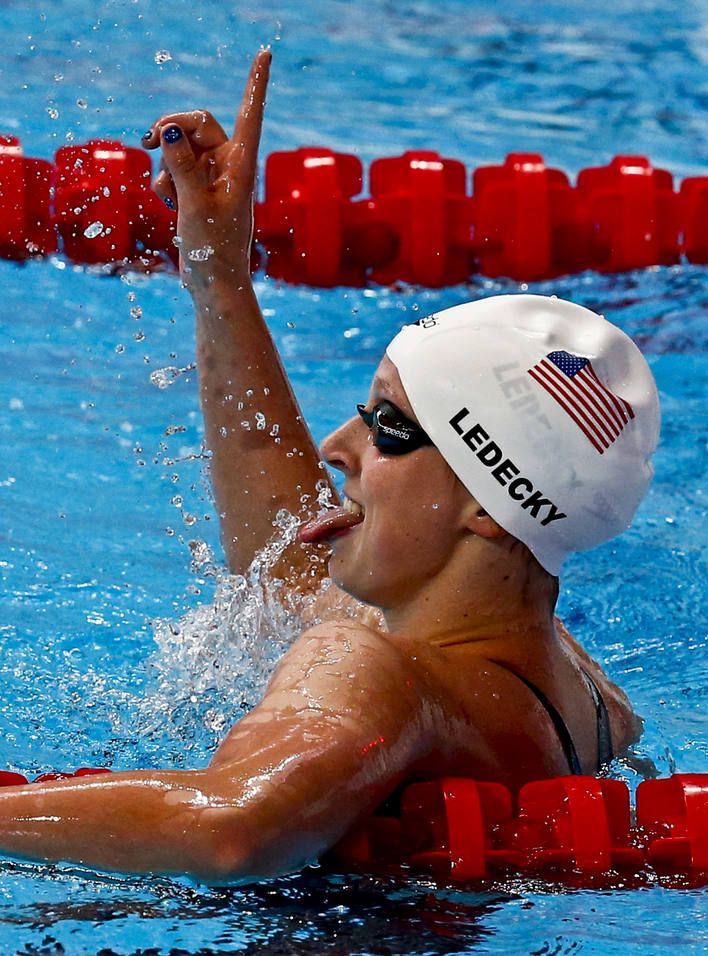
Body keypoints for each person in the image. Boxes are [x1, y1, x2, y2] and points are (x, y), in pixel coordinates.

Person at [0, 51, 659, 883]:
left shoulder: (368, 666)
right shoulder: (582, 696)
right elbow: (287, 561)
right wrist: (220, 280)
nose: (336, 446)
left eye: (388, 428)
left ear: (490, 505)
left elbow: (230, 829)